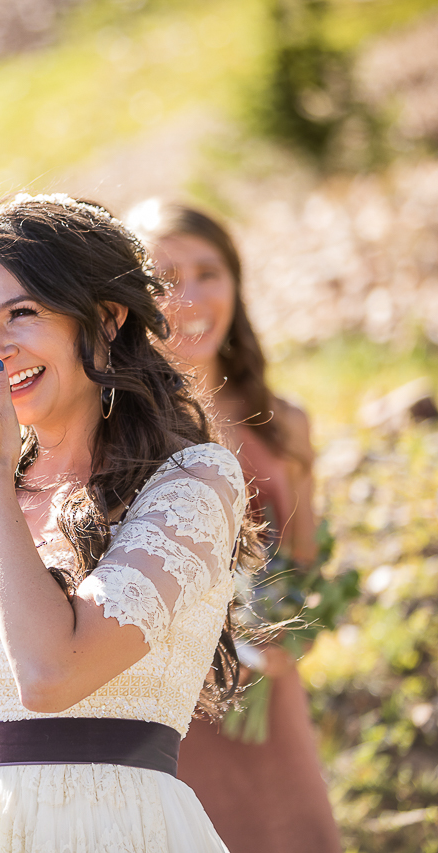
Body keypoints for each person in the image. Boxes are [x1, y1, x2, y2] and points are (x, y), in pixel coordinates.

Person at [0, 192, 262, 852]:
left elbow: (51, 674)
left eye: (23, 314)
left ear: (107, 317)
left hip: (113, 830)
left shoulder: (193, 482)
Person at [128, 199, 342, 852]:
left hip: (267, 699)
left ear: (236, 284)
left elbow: (304, 565)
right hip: (171, 716)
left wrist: (286, 633)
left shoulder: (285, 421)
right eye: (164, 278)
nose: (188, 296)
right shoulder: (121, 433)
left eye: (208, 271)